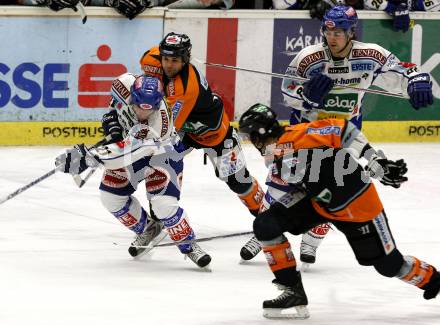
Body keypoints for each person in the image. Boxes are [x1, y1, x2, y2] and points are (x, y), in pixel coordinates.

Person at [238, 104, 440, 319]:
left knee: (389, 266)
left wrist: (375, 160)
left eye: (251, 136)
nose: (252, 141)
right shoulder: (273, 156)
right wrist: (270, 222)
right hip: (320, 204)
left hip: (359, 208)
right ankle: (292, 290)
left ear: (260, 133)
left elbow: (344, 130)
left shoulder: (301, 134)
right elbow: (288, 190)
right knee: (265, 225)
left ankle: (433, 279)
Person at [278, 5, 434, 266]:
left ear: (351, 32)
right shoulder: (308, 57)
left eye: (339, 32)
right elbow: (287, 89)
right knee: (284, 181)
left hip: (344, 132)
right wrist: (306, 97)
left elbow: (404, 70)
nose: (332, 37)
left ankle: (313, 238)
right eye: (328, 31)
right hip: (307, 129)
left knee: (330, 187)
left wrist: (417, 79)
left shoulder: (371, 54)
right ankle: (269, 232)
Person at [56, 74, 211, 269]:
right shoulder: (123, 83)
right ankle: (149, 229)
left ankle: (188, 245)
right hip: (129, 149)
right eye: (138, 107)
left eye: (149, 109)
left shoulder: (158, 125)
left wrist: (88, 157)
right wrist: (112, 127)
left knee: (163, 206)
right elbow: (113, 107)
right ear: (132, 97)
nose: (142, 114)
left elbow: (124, 153)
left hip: (162, 155)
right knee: (110, 197)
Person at [139, 32, 266, 261]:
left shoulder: (185, 89)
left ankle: (270, 222)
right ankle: (157, 221)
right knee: (155, 164)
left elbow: (165, 129)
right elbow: (146, 63)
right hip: (187, 132)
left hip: (213, 134)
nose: (169, 65)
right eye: (166, 59)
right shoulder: (153, 58)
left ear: (185, 60)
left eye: (175, 60)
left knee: (239, 181)